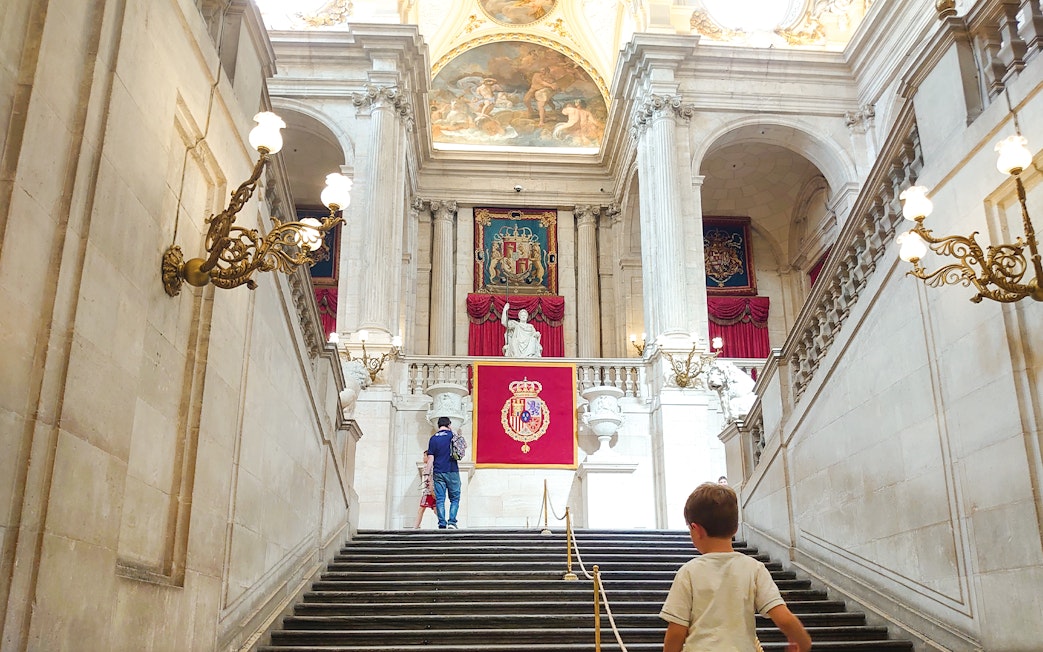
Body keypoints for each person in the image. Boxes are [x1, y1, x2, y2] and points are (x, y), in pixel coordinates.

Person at [660, 483, 811, 652]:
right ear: (735, 528)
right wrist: (802, 640)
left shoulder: (688, 572)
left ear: (696, 529)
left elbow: (676, 633)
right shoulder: (754, 568)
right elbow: (783, 618)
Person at [427, 416, 461, 529]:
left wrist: (427, 473)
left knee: (440, 499)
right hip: (452, 470)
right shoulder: (452, 435)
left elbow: (430, 458)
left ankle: (442, 523)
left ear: (438, 425)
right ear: (449, 424)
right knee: (455, 498)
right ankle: (452, 522)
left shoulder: (433, 438)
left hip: (438, 471)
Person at [413, 450, 435, 529]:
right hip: (432, 491)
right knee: (436, 510)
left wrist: (431, 489)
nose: (423, 458)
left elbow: (430, 479)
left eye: (424, 456)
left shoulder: (429, 467)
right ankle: (443, 524)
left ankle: (415, 527)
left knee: (421, 509)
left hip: (429, 492)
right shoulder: (433, 466)